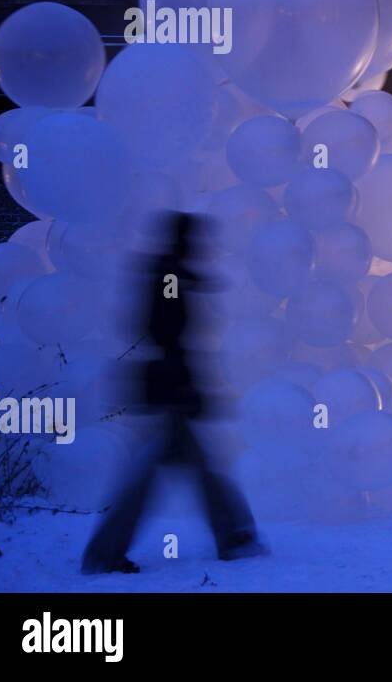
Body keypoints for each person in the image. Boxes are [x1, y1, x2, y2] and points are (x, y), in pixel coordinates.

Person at [82, 212, 265, 574]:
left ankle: (234, 535)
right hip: (170, 387)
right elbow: (164, 327)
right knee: (156, 475)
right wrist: (184, 382)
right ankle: (106, 553)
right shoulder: (169, 273)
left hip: (169, 385)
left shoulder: (170, 271)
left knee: (195, 467)